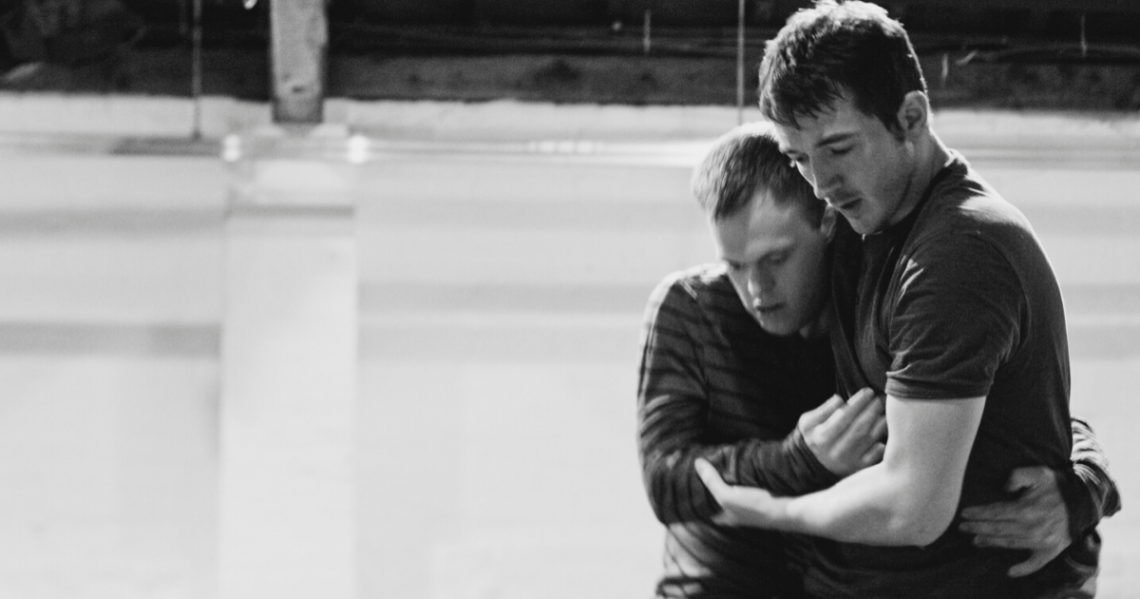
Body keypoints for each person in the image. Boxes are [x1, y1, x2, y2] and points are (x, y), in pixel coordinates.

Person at [694, 2, 1121, 598]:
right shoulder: (860, 226)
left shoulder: (960, 250)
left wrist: (775, 511)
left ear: (911, 117)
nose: (820, 183)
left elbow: (912, 508)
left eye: (839, 148)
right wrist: (1090, 476)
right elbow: (1011, 404)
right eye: (799, 157)